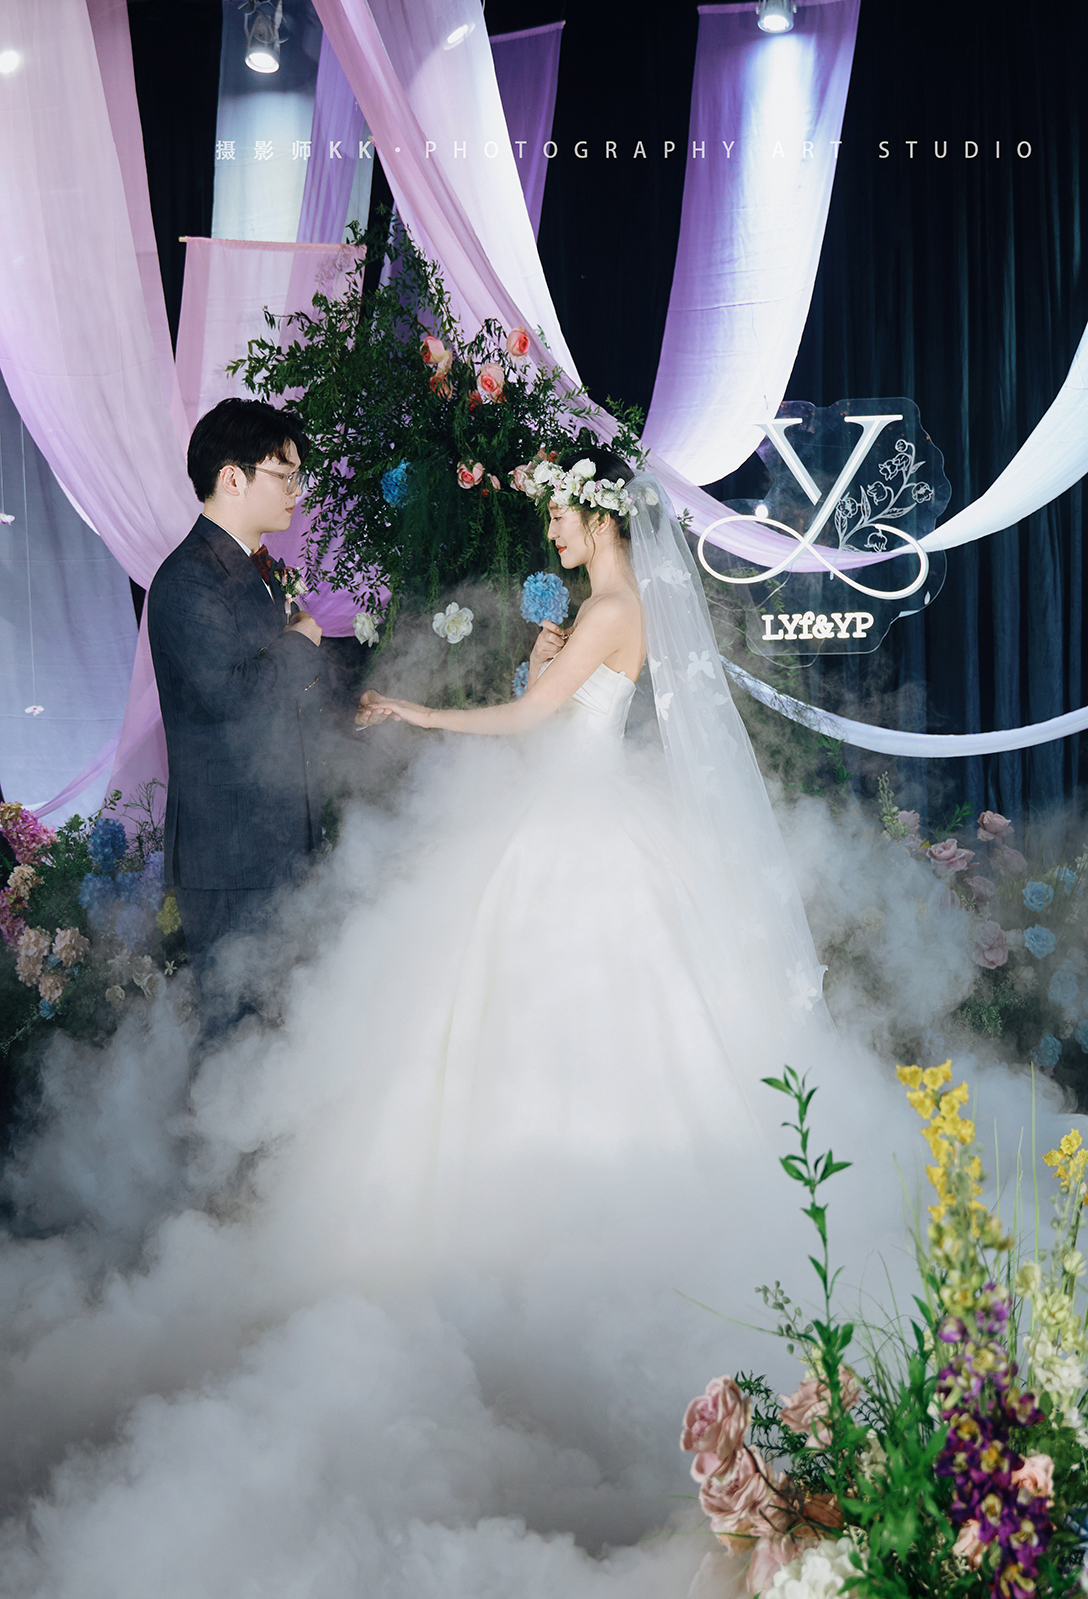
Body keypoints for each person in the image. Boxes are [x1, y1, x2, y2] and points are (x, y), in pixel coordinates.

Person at [345, 451, 830, 1250]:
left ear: (599, 514)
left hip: (578, 821)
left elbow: (527, 721)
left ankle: (569, 1207)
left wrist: (419, 713)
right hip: (579, 801)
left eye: (558, 513)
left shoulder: (608, 607)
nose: (551, 530)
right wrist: (540, 666)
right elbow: (556, 717)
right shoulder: (613, 603)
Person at [147, 397, 330, 1006]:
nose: (296, 493)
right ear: (232, 478)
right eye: (285, 476)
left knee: (280, 1032)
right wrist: (301, 642)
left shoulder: (250, 569)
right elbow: (235, 695)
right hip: (230, 855)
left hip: (275, 841)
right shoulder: (188, 579)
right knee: (235, 1034)